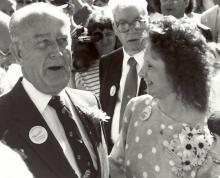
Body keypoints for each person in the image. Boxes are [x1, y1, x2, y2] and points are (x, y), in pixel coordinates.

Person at [0, 3, 108, 178]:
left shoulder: (88, 101)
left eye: (62, 41)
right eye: (43, 43)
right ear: (18, 53)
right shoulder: (3, 117)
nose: (57, 52)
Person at [109, 16, 214, 178]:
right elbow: (114, 166)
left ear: (178, 72)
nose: (141, 72)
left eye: (150, 66)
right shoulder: (136, 108)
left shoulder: (207, 133)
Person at [99, 0, 148, 152]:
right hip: (112, 158)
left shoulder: (163, 61)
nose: (131, 30)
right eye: (123, 24)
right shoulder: (107, 62)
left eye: (138, 22)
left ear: (148, 22)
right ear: (114, 27)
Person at [73, 10, 119, 98]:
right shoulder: (83, 75)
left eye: (108, 34)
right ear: (91, 39)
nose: (104, 40)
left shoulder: (128, 62)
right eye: (98, 36)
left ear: (116, 35)